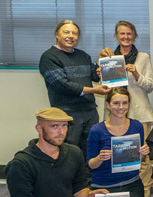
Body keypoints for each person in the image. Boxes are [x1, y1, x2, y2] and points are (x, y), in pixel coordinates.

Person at [98, 20, 153, 197]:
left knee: (142, 153)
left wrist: (136, 74)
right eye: (122, 34)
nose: (125, 37)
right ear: (116, 36)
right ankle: (120, 186)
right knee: (116, 152)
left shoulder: (143, 57)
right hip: (114, 114)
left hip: (139, 112)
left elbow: (149, 86)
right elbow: (105, 88)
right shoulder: (108, 58)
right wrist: (101, 74)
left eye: (129, 33)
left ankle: (145, 186)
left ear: (134, 35)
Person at [39, 20, 110, 158]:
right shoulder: (49, 57)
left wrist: (101, 62)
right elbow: (62, 85)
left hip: (89, 111)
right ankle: (68, 180)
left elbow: (94, 76)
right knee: (68, 151)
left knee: (91, 149)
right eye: (66, 32)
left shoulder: (83, 55)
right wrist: (94, 90)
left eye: (74, 33)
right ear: (57, 35)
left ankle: (87, 179)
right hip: (67, 113)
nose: (71, 36)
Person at [86, 88, 150, 197]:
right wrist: (100, 158)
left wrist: (143, 153)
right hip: (103, 186)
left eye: (125, 103)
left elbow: (138, 161)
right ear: (107, 105)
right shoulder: (97, 130)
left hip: (131, 183)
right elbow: (90, 165)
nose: (121, 107)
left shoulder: (137, 126)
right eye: (116, 103)